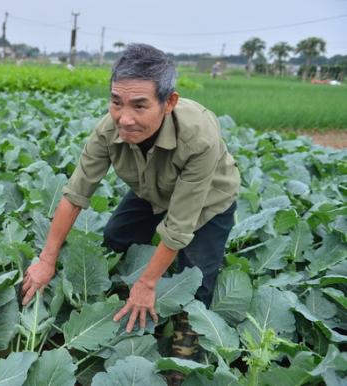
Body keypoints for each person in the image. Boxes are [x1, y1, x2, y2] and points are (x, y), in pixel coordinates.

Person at [21, 43, 240, 383]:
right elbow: (76, 193)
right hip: (150, 191)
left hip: (210, 198)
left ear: (169, 102)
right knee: (114, 238)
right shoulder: (108, 130)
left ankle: (182, 359)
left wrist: (148, 282)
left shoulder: (199, 135)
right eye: (116, 102)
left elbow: (180, 224)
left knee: (196, 274)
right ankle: (112, 305)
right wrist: (46, 260)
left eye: (140, 105)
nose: (125, 117)